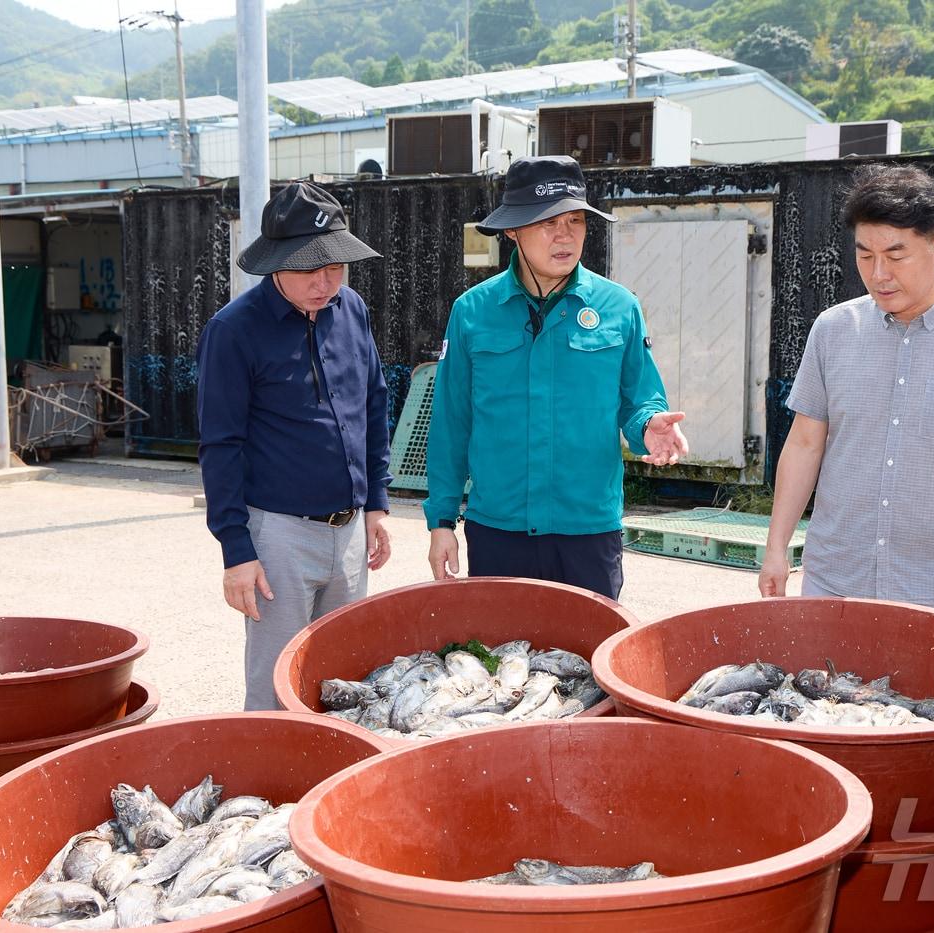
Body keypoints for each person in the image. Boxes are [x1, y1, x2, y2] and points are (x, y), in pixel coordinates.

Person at [758, 164, 934, 625]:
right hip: (833, 579)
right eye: (865, 255)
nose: (879, 273)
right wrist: (776, 549)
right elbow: (805, 444)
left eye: (896, 254)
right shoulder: (832, 331)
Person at [423, 155, 689, 600]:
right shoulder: (472, 311)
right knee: (500, 662)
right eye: (548, 222)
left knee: (590, 659)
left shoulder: (620, 307)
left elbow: (639, 398)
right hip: (498, 529)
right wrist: (442, 521)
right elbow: (452, 423)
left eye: (576, 221)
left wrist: (649, 426)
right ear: (512, 230)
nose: (565, 236)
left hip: (587, 531)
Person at [197, 182, 393, 710]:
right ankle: (270, 785)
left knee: (345, 673)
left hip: (350, 527)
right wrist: (237, 551)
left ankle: (335, 782)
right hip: (278, 534)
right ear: (276, 264)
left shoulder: (350, 309)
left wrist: (375, 502)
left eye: (337, 267)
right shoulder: (234, 330)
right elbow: (220, 445)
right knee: (276, 681)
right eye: (311, 269)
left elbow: (371, 403)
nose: (326, 282)